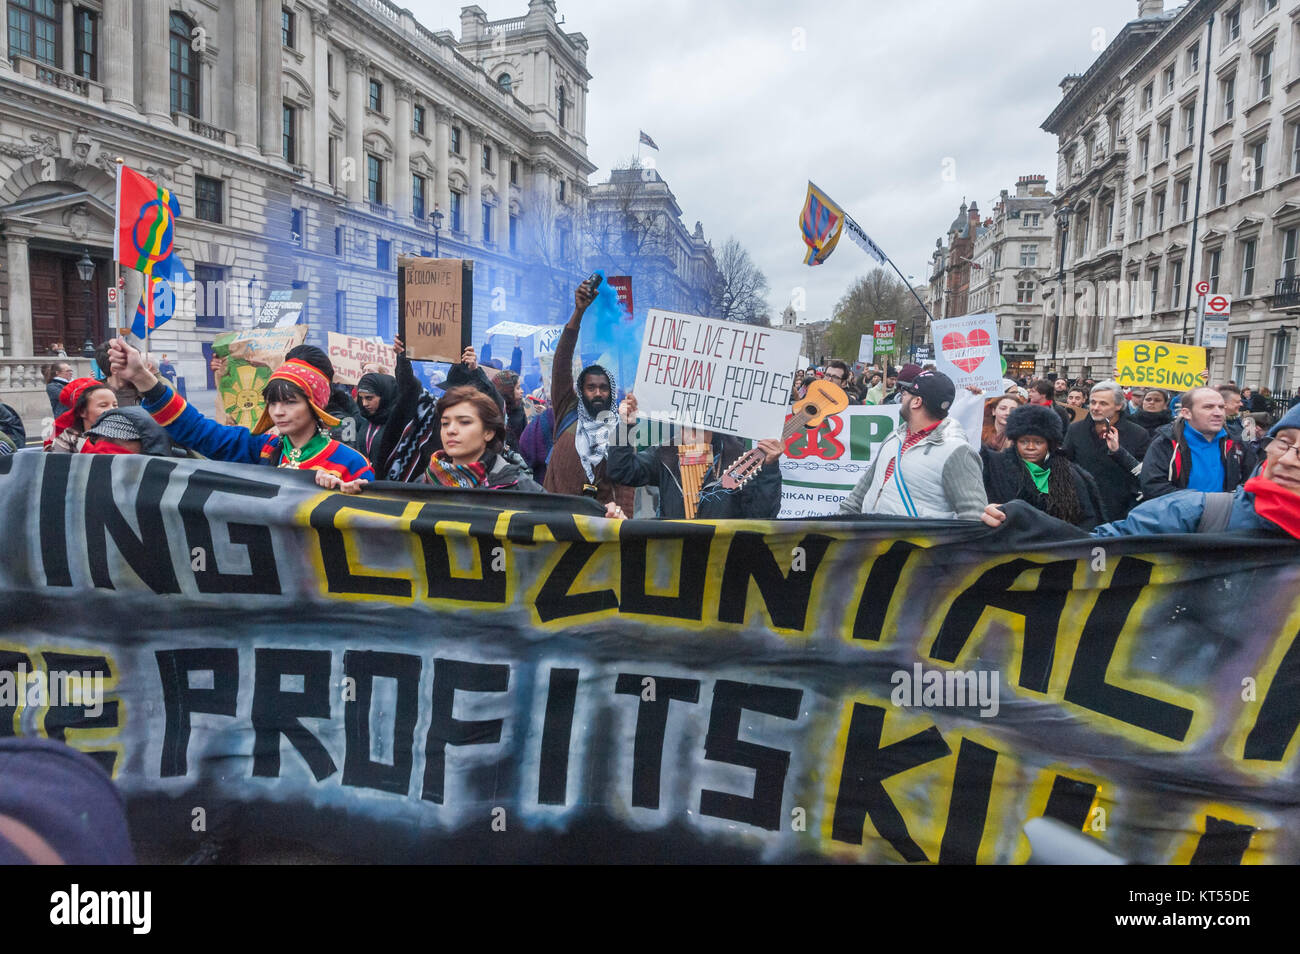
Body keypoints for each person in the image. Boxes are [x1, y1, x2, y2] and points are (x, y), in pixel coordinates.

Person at [982, 404, 1300, 537]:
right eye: (1283, 442)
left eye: (1037, 441)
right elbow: (1091, 544)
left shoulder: (1071, 475)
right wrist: (1025, 522)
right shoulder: (1188, 512)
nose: (1287, 459)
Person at [108, 337, 374, 490]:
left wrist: (341, 495)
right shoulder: (261, 447)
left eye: (290, 403)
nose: (278, 412)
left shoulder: (351, 463)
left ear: (315, 406)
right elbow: (198, 431)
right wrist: (143, 378)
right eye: (272, 403)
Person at [607, 393, 783, 518]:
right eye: (687, 427)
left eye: (700, 429)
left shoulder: (739, 459)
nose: (693, 436)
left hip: (720, 558)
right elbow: (621, 471)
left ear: (715, 429)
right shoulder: (666, 455)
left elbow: (762, 514)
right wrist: (625, 426)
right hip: (673, 554)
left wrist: (769, 468)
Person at [838, 370, 987, 519]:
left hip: (915, 541)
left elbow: (973, 516)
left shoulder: (958, 451)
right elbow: (861, 491)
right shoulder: (894, 437)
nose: (902, 397)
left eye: (906, 393)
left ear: (917, 402)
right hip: (870, 539)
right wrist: (840, 524)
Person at [542, 280, 632, 511]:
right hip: (554, 520)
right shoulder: (568, 412)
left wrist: (626, 527)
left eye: (604, 388)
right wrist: (578, 313)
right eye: (591, 387)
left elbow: (625, 489)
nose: (598, 392)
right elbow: (561, 363)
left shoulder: (617, 430)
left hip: (597, 529)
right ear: (581, 391)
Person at [982, 404, 1107, 531]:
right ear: (1015, 442)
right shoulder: (996, 466)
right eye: (1024, 441)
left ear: (1049, 444)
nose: (1030, 447)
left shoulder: (1069, 473)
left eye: (1038, 442)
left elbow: (1088, 519)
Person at [1140, 386, 1255, 500]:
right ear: (1186, 413)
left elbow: (1251, 482)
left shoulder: (1237, 443)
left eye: (1221, 407)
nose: (1218, 413)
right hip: (1178, 516)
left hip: (1226, 516)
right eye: (1208, 407)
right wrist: (1202, 505)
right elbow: (1153, 488)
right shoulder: (1165, 443)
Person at [422, 385, 543, 492]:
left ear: (489, 432)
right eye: (445, 423)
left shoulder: (520, 489)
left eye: (464, 422)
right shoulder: (423, 483)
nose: (451, 430)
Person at [353, 337, 440, 482]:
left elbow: (409, 387)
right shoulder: (364, 420)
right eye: (361, 398)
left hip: (395, 490)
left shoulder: (398, 417)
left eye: (369, 398)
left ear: (384, 395)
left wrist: (402, 358)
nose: (364, 403)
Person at [1059, 381, 1150, 520]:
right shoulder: (1075, 429)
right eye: (1093, 402)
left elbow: (1143, 475)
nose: (1095, 408)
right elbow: (1064, 466)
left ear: (1119, 405)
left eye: (1103, 403)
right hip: (1081, 509)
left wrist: (1118, 452)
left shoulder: (1138, 434)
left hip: (1119, 511)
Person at [46, 378, 116, 453]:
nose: (112, 409)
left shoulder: (123, 435)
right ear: (82, 411)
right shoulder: (66, 439)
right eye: (103, 405)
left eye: (115, 405)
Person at [493, 370, 528, 448]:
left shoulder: (519, 407)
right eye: (518, 388)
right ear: (507, 390)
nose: (522, 391)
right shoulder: (494, 411)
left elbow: (524, 437)